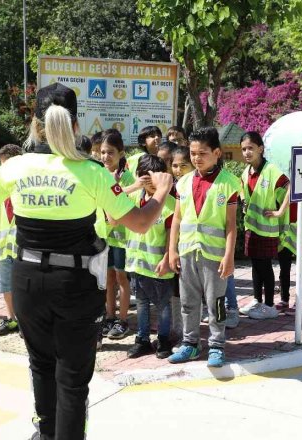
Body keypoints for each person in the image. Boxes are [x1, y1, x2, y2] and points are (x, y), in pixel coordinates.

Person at [0, 83, 173, 440]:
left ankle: (46, 434)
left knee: (41, 366)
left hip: (28, 282)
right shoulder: (93, 173)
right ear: (76, 126)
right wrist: (163, 191)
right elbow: (138, 222)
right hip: (75, 285)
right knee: (73, 380)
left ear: (35, 123)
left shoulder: (15, 167)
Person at [163, 127, 241, 368]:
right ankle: (190, 344)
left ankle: (217, 345)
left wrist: (229, 256)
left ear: (217, 153)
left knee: (216, 301)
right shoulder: (184, 183)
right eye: (193, 153)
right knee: (188, 301)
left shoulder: (229, 184)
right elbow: (176, 218)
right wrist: (172, 250)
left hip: (214, 255)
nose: (196, 158)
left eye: (202, 153)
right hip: (187, 253)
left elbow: (231, 225)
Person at [126, 154, 177, 359]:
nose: (151, 186)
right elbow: (111, 203)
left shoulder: (170, 204)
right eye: (145, 181)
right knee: (141, 303)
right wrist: (135, 187)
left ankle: (163, 339)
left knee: (163, 306)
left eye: (154, 181)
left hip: (159, 267)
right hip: (137, 265)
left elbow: (172, 236)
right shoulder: (132, 198)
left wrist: (167, 259)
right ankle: (143, 339)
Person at [238, 131, 289, 320]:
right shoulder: (246, 172)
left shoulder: (272, 170)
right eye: (244, 149)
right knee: (255, 265)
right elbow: (242, 190)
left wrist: (280, 211)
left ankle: (269, 306)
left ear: (260, 149)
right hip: (252, 227)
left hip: (267, 228)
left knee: (265, 266)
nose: (247, 152)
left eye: (251, 148)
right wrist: (243, 199)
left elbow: (290, 187)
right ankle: (257, 300)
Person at [99, 132, 136, 340]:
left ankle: (123, 320)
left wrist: (117, 185)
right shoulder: (98, 174)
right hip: (104, 237)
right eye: (102, 152)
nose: (105, 157)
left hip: (122, 238)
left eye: (110, 152)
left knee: (122, 277)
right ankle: (110, 316)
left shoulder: (128, 178)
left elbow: (124, 206)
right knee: (108, 278)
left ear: (121, 153)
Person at [0, 144, 24, 336]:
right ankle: (12, 320)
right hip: (3, 247)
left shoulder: (26, 185)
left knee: (24, 286)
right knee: (6, 285)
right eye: (1, 165)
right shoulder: (1, 186)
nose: (4, 169)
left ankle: (26, 321)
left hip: (22, 247)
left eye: (7, 164)